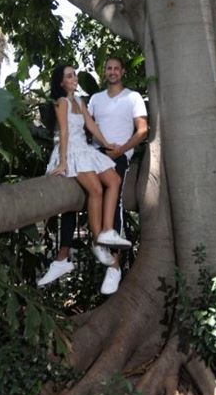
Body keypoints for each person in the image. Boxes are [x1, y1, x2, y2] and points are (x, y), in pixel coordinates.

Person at [37, 64, 130, 292]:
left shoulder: (79, 101)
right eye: (69, 76)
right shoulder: (62, 102)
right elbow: (65, 132)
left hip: (85, 149)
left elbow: (90, 125)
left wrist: (107, 144)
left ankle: (107, 231)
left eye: (74, 74)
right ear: (60, 82)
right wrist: (63, 162)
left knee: (114, 181)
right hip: (70, 150)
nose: (74, 78)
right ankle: (98, 241)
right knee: (96, 190)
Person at [86, 55, 148, 295]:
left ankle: (114, 266)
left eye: (116, 68)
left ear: (122, 72)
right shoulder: (95, 99)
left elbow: (142, 130)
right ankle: (100, 246)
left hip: (119, 153)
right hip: (94, 154)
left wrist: (121, 150)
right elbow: (87, 126)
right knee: (92, 195)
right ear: (105, 72)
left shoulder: (132, 98)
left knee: (116, 203)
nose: (112, 71)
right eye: (108, 68)